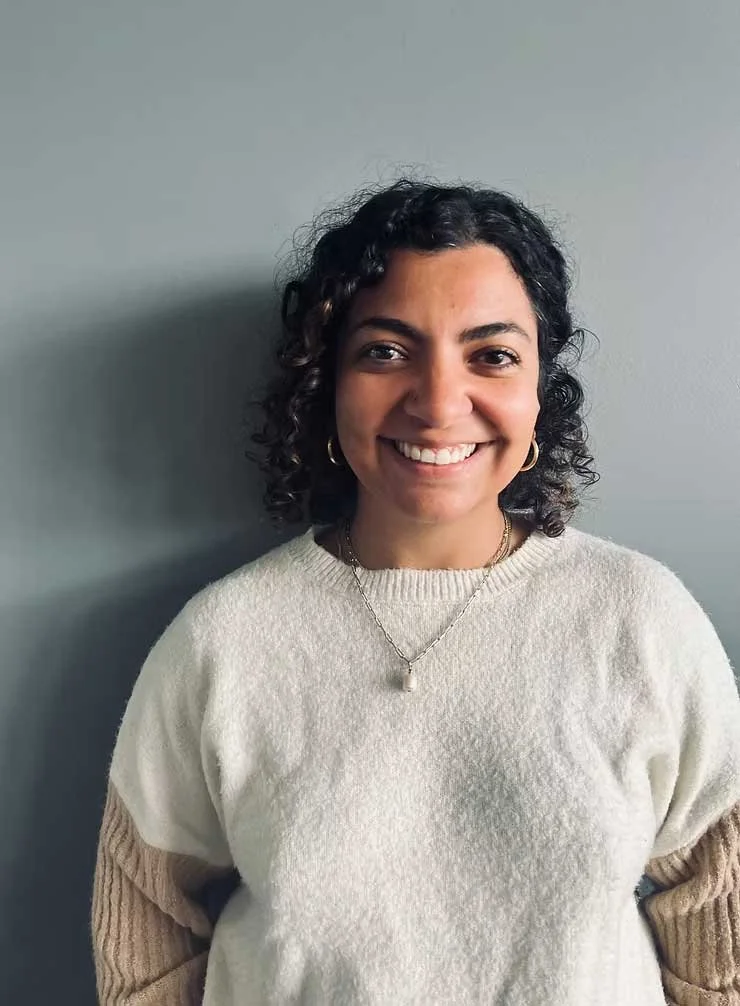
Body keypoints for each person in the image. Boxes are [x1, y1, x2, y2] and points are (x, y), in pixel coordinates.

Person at [90, 180, 740, 1005]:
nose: (438, 404)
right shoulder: (223, 640)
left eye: (492, 354)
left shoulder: (641, 620)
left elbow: (722, 932)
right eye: (385, 351)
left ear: (541, 388)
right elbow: (145, 935)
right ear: (327, 383)